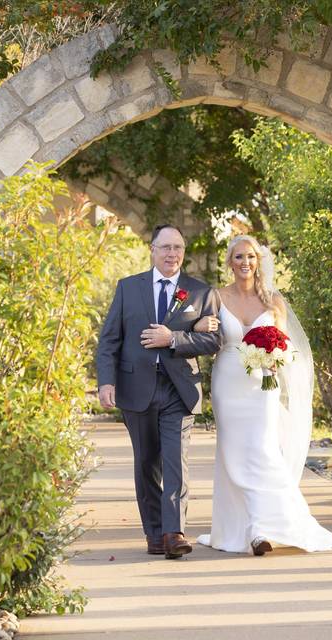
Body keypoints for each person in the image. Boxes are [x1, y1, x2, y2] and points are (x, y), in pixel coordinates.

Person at [193, 235, 332, 555]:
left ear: (258, 262)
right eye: (238, 257)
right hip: (228, 382)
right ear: (229, 262)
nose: (245, 262)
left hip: (264, 383)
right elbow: (203, 337)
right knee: (232, 453)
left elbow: (285, 343)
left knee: (262, 449)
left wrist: (274, 359)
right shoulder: (216, 297)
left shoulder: (274, 301)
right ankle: (237, 527)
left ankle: (260, 529)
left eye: (250, 257)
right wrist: (202, 326)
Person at [96, 224, 222, 559]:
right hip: (136, 387)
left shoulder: (199, 292)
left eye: (178, 248)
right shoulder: (128, 288)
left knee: (175, 461)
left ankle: (173, 532)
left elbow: (214, 340)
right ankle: (153, 532)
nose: (172, 254)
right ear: (152, 250)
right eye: (165, 247)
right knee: (146, 463)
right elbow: (109, 340)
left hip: (179, 388)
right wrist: (106, 381)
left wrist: (175, 339)